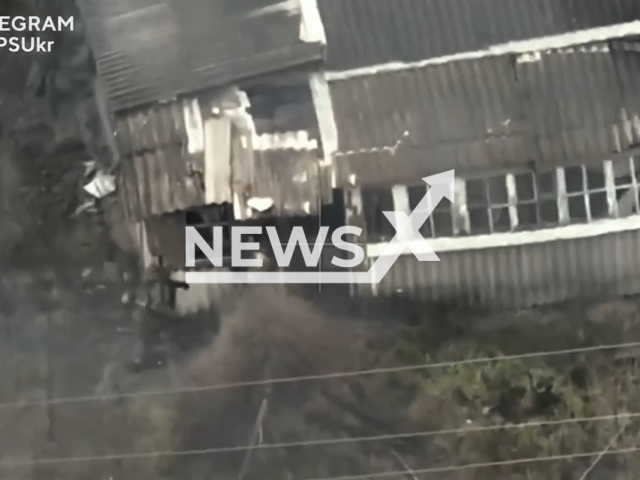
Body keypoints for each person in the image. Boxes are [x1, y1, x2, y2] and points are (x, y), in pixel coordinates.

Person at [128, 261, 190, 372]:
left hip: (148, 317)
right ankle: (183, 347)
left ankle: (137, 362)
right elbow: (157, 305)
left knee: (145, 340)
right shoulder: (156, 286)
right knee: (147, 339)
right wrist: (174, 317)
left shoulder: (151, 286)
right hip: (151, 318)